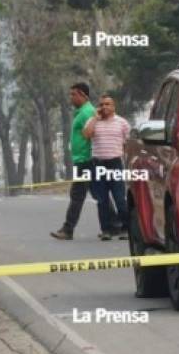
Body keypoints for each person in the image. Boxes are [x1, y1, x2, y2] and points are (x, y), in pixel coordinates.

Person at [51, 83, 98, 240]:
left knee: (77, 195)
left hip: (86, 159)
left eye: (73, 95)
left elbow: (93, 134)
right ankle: (117, 224)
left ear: (83, 95)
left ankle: (67, 229)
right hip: (82, 160)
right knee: (98, 194)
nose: (71, 98)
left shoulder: (87, 112)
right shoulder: (82, 112)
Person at [83, 93, 131, 241]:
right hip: (98, 164)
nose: (104, 107)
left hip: (115, 164)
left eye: (107, 104)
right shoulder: (93, 121)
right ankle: (106, 230)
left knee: (120, 199)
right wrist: (95, 119)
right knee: (102, 200)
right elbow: (86, 134)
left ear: (113, 106)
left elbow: (129, 143)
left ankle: (125, 228)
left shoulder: (122, 123)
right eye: (102, 104)